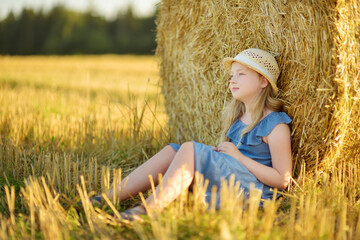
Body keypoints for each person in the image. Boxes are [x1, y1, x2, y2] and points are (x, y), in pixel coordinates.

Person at [92, 48, 292, 221]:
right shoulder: (239, 120)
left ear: (263, 81)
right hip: (233, 177)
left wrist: (237, 157)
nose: (232, 81)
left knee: (190, 148)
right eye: (231, 76)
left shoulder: (275, 124)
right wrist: (220, 154)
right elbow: (231, 161)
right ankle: (107, 198)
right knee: (173, 150)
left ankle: (148, 210)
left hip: (253, 192)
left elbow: (283, 180)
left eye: (241, 74)